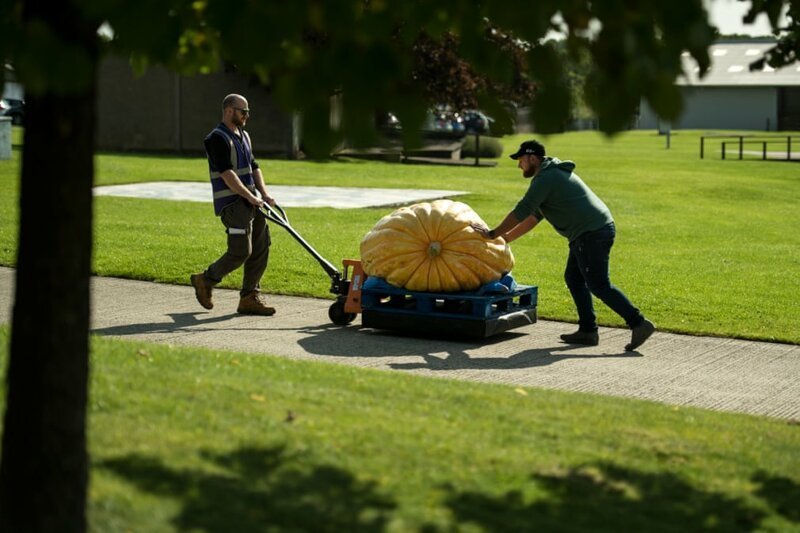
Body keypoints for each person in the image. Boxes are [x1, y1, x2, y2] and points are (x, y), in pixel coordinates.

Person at [472, 140, 655, 351]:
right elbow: (533, 217)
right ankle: (588, 330)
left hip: (591, 233)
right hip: (588, 232)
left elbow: (522, 210)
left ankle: (638, 323)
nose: (519, 165)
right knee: (574, 278)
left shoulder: (546, 179)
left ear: (532, 158)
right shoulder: (550, 175)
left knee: (598, 284)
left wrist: (493, 233)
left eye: (521, 160)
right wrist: (506, 239)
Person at [190, 94, 277, 316]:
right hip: (232, 203)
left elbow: (254, 166)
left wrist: (264, 194)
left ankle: (249, 297)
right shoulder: (216, 138)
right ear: (229, 110)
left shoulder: (244, 136)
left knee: (260, 246)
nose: (246, 115)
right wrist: (249, 196)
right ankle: (205, 280)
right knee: (240, 250)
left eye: (247, 112)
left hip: (252, 201)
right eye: (243, 111)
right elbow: (227, 174)